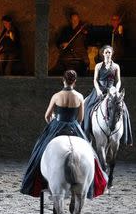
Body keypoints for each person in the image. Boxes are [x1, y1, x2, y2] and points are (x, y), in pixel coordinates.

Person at [20, 70, 107, 198]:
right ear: (75, 82)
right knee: (92, 154)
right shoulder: (79, 96)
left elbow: (47, 116)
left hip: (57, 126)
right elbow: (81, 118)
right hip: (73, 126)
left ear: (63, 80)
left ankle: (34, 183)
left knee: (39, 150)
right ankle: (91, 186)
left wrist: (54, 121)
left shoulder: (56, 96)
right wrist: (73, 123)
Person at [83, 45, 133, 146]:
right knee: (87, 106)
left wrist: (116, 90)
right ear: (103, 54)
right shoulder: (98, 66)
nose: (108, 54)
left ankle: (125, 136)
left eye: (109, 52)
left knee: (124, 110)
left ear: (112, 54)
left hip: (112, 90)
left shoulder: (116, 66)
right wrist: (98, 90)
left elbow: (118, 81)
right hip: (100, 90)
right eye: (106, 52)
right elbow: (95, 80)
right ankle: (86, 133)